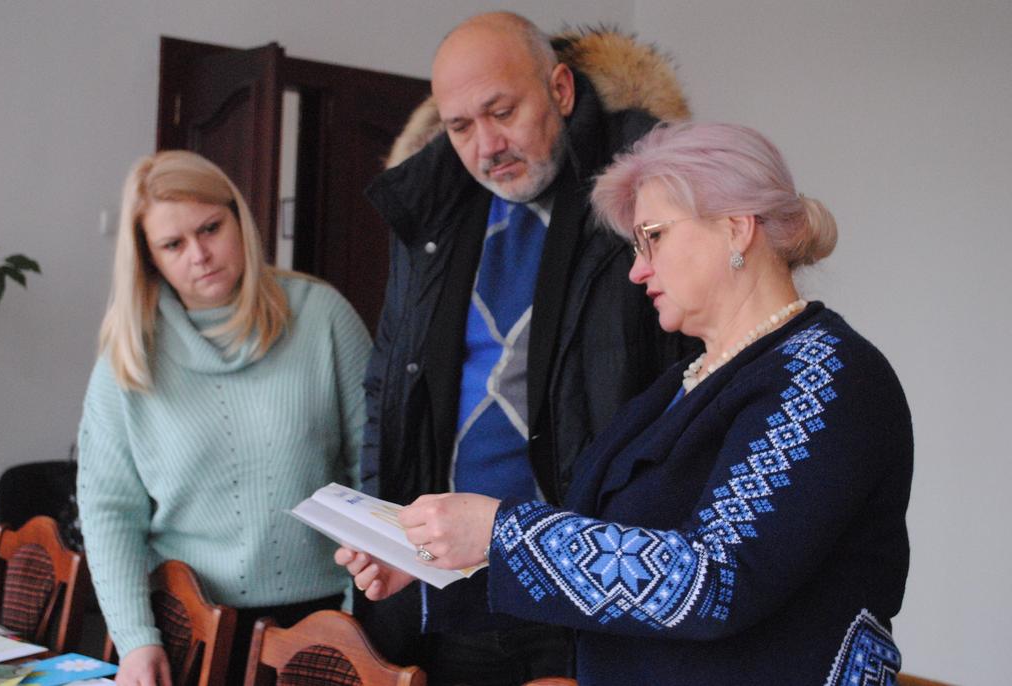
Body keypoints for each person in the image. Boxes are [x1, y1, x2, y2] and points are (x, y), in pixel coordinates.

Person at [340, 122, 914, 686]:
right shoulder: (675, 387)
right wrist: (425, 569)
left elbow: (716, 581)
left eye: (653, 237)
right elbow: (601, 575)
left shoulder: (825, 374)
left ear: (737, 228)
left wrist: (499, 530)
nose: (637, 270)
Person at [353, 11, 696, 684]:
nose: (487, 145)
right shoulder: (429, 212)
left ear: (561, 90)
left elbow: (691, 390)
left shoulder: (645, 189)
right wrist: (381, 525)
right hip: (446, 591)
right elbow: (386, 387)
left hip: (589, 597)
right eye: (460, 126)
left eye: (503, 112)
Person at [77, 150, 370, 685]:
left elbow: (375, 474)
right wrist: (135, 639)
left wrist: (361, 610)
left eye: (210, 228)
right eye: (173, 244)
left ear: (239, 219)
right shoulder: (129, 355)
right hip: (186, 627)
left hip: (323, 624)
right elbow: (109, 512)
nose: (200, 255)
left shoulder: (323, 317)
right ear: (149, 257)